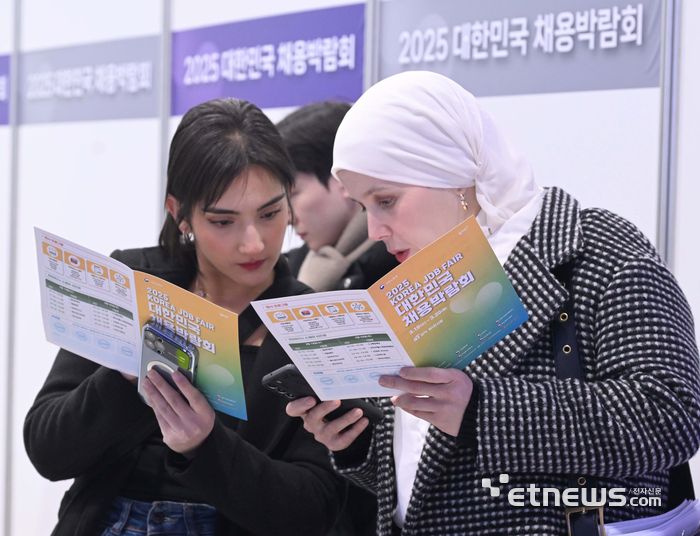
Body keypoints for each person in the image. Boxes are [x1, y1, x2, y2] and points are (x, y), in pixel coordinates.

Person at [287, 71, 700, 534]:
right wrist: (356, 441)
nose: (375, 230)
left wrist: (482, 409)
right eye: (365, 207)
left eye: (386, 200)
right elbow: (432, 482)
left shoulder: (595, 247)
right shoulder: (415, 282)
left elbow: (671, 413)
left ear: (453, 174)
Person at [24, 98, 345, 536]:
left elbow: (315, 509)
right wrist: (124, 376)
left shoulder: (310, 323)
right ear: (181, 214)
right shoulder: (132, 281)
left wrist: (205, 446)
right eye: (223, 221)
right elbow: (47, 450)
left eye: (270, 213)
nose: (254, 243)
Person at [278, 101, 393, 535]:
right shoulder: (292, 270)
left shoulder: (401, 269)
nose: (288, 218)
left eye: (293, 193)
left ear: (342, 182)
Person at [277, 101, 397, 292]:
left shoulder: (404, 260)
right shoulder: (287, 272)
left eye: (292, 195)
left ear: (342, 177)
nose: (287, 219)